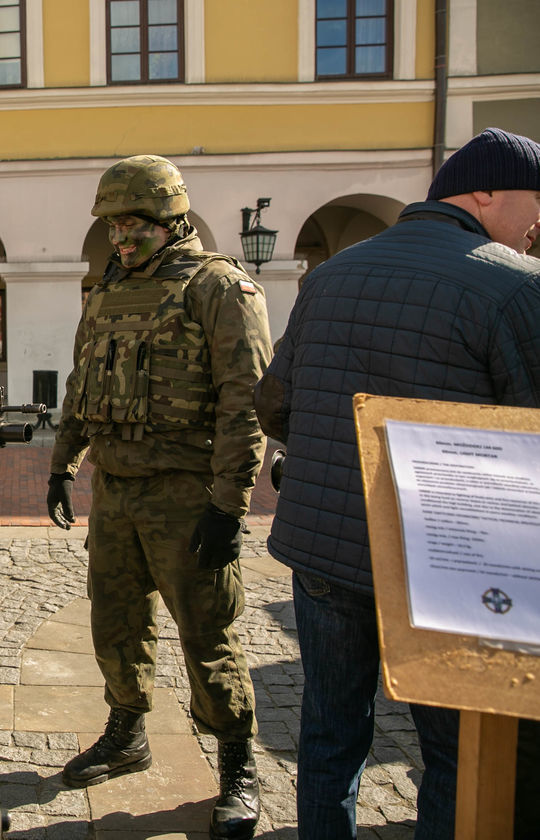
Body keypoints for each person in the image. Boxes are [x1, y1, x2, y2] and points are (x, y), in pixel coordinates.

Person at [255, 127, 540, 840]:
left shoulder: (331, 273)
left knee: (330, 735)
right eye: (537, 202)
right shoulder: (515, 285)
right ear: (485, 193)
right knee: (448, 748)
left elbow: (274, 401)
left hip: (326, 549)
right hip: (448, 564)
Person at [46, 155, 272, 840]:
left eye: (133, 224)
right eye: (113, 225)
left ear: (171, 219)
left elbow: (247, 402)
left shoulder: (221, 288)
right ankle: (127, 730)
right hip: (116, 488)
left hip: (186, 491)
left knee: (207, 631)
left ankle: (236, 762)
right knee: (114, 622)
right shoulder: (110, 289)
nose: (120, 237)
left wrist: (228, 505)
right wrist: (63, 465)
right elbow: (83, 381)